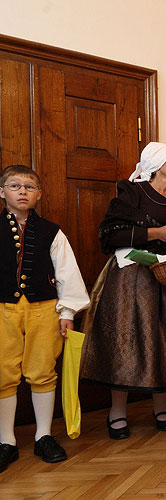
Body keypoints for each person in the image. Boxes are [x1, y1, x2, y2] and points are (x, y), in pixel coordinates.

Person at [80, 142, 166, 439]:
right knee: (127, 339)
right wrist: (157, 233)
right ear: (158, 163)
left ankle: (161, 406)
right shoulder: (132, 192)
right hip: (131, 276)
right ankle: (117, 412)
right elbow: (110, 234)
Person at [0, 165, 89, 472]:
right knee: (2, 373)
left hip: (43, 308)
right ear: (2, 193)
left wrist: (67, 312)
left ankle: (44, 435)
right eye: (14, 186)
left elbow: (67, 272)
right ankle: (6, 440)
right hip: (2, 310)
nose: (22, 191)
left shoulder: (52, 231)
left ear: (39, 194)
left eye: (29, 186)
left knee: (42, 370)